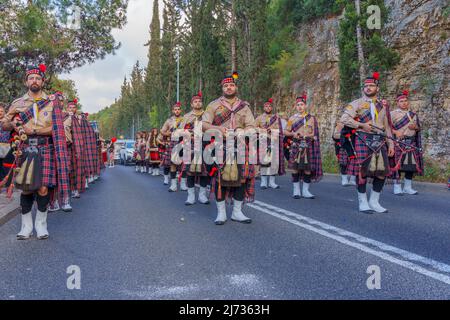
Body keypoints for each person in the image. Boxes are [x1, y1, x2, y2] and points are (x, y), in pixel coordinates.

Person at [1, 64, 70, 240]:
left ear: (42, 81)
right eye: (31, 78)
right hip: (24, 148)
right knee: (26, 188)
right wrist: (14, 125)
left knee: (43, 187)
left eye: (38, 78)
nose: (34, 81)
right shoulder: (18, 103)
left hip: (45, 146)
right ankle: (26, 226)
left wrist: (37, 131)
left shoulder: (53, 102)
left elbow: (58, 127)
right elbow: (4, 124)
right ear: (26, 81)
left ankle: (41, 225)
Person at [202, 74, 255, 225]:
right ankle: (221, 213)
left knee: (241, 179)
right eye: (225, 86)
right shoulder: (213, 105)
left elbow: (251, 126)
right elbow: (204, 124)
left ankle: (237, 212)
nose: (229, 88)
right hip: (220, 145)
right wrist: (217, 128)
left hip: (240, 145)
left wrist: (242, 132)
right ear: (222, 88)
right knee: (220, 179)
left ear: (236, 87)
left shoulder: (244, 107)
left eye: (231, 85)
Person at [340, 72, 395, 214]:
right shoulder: (356, 104)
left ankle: (374, 202)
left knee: (382, 172)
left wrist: (391, 144)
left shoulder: (383, 106)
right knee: (362, 172)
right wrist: (361, 125)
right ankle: (363, 202)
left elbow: (387, 126)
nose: (368, 88)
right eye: (366, 86)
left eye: (371, 85)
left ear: (377, 87)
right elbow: (344, 119)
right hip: (363, 139)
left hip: (380, 141)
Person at [284, 94, 323, 199]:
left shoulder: (312, 118)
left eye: (302, 104)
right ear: (295, 106)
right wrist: (293, 134)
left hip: (308, 145)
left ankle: (306, 191)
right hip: (296, 145)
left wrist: (310, 137)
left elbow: (315, 134)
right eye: (298, 105)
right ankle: (296, 191)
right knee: (295, 168)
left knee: (308, 169)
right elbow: (286, 132)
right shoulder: (292, 119)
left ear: (305, 105)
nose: (300, 106)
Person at [390, 90, 423, 195]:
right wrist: (396, 132)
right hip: (399, 143)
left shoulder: (413, 114)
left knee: (410, 166)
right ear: (397, 103)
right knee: (398, 166)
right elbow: (386, 128)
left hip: (411, 142)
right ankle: (397, 187)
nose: (404, 103)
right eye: (401, 101)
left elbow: (418, 129)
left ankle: (407, 187)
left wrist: (416, 127)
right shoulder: (392, 114)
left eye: (405, 101)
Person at [181, 91, 210, 205]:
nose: (198, 103)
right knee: (190, 172)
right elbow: (179, 131)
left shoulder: (208, 115)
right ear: (191, 104)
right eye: (195, 102)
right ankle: (190, 196)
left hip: (205, 144)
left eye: (199, 101)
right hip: (190, 145)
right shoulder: (187, 117)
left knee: (204, 172)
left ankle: (202, 196)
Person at [255, 98, 285, 189]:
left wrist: (272, 130)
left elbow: (280, 130)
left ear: (272, 107)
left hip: (274, 141)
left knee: (273, 163)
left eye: (269, 106)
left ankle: (272, 182)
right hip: (263, 141)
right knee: (264, 162)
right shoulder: (259, 118)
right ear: (264, 107)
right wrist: (262, 130)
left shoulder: (276, 118)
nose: (268, 107)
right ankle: (264, 182)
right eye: (266, 106)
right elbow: (253, 127)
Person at [160, 102, 186, 192]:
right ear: (173, 110)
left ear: (181, 110)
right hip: (173, 142)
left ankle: (183, 184)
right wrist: (169, 133)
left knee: (184, 164)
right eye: (175, 109)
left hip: (184, 142)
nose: (177, 111)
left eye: (178, 109)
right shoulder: (169, 120)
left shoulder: (184, 119)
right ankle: (173, 185)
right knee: (173, 164)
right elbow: (162, 131)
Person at [333, 119, 356, 186]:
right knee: (343, 163)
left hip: (353, 146)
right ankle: (344, 179)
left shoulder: (354, 124)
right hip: (343, 146)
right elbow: (335, 137)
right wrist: (343, 135)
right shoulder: (339, 126)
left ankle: (352, 180)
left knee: (354, 163)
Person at [0, 103, 11, 182]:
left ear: (5, 112)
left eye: (1, 111)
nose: (0, 112)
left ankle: (5, 183)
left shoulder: (8, 123)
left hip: (6, 147)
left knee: (5, 166)